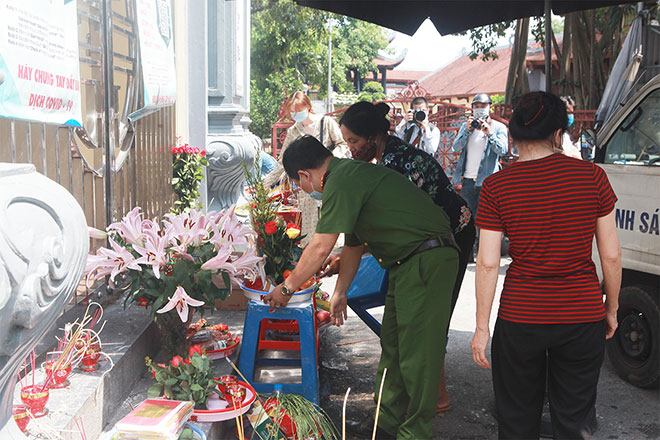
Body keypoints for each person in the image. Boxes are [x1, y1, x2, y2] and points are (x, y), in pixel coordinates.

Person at [263, 135, 458, 439]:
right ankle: (386, 424)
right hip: (407, 263)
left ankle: (414, 432)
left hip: (427, 260)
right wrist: (340, 293)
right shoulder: (347, 175)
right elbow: (352, 245)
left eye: (298, 184)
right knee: (393, 347)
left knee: (419, 355)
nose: (303, 190)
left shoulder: (339, 181)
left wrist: (286, 288)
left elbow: (320, 246)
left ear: (304, 175)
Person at [470, 92, 621, 439]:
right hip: (582, 315)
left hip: (521, 316)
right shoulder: (592, 177)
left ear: (513, 135)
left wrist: (482, 327)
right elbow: (610, 254)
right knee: (574, 419)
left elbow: (488, 262)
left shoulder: (496, 186)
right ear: (558, 134)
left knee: (517, 419)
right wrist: (611, 307)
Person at [333, 100, 475, 412]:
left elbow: (401, 223)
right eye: (346, 143)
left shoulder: (396, 164)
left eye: (354, 142)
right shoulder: (386, 156)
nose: (351, 149)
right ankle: (419, 392)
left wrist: (349, 256)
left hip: (453, 234)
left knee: (433, 314)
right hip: (427, 236)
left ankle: (436, 396)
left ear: (373, 137)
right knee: (419, 317)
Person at [264, 91, 350, 245]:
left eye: (298, 110)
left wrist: (330, 162)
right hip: (308, 187)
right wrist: (266, 183)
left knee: (334, 228)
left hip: (330, 180)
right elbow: (283, 161)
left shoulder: (326, 123)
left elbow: (342, 144)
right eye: (292, 112)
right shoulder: (293, 131)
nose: (296, 114)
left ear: (308, 106)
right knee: (310, 234)